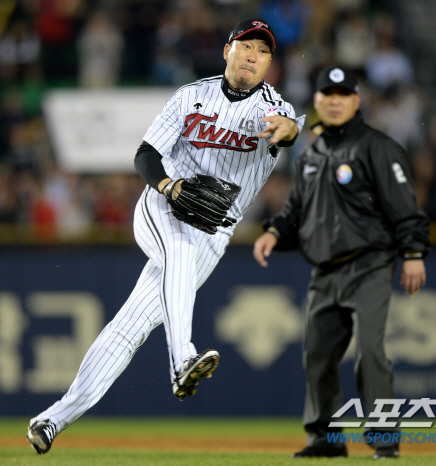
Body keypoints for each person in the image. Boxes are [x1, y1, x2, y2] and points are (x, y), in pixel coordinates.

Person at [26, 18, 305, 455]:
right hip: (163, 206)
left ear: (269, 64)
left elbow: (288, 129)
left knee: (130, 327)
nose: (253, 55)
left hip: (214, 231)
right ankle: (182, 359)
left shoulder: (271, 106)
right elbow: (145, 155)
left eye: (263, 51)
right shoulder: (190, 96)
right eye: (246, 46)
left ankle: (51, 420)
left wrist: (286, 130)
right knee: (178, 246)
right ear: (227, 51)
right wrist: (169, 186)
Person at [253, 67, 430, 460]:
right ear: (316, 101)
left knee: (370, 351)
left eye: (343, 94)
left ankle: (384, 440)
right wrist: (274, 232)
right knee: (318, 357)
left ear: (356, 100)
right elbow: (296, 210)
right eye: (327, 94)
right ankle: (326, 440)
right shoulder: (311, 152)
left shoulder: (378, 147)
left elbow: (405, 207)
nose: (335, 101)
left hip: (370, 265)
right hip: (325, 270)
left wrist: (413, 253)